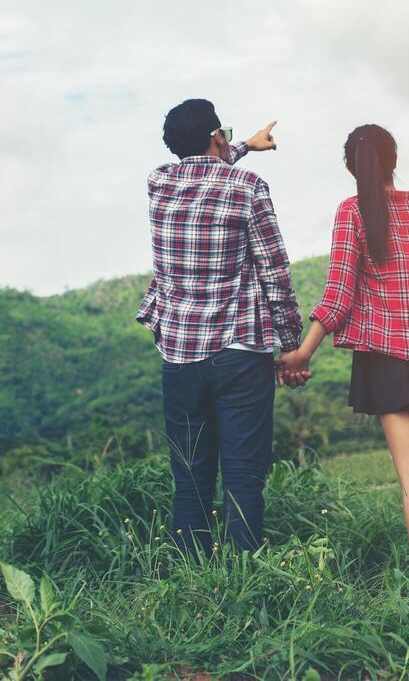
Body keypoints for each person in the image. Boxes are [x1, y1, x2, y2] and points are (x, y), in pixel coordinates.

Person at [277, 123, 409, 597]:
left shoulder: (352, 212)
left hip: (391, 357)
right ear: (394, 160)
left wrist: (303, 351)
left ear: (351, 167)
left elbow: (338, 295)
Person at [136, 98, 306, 556]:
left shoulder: (159, 183)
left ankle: (194, 588)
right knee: (243, 479)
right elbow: (275, 274)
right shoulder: (248, 188)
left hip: (179, 353)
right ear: (216, 135)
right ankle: (243, 582)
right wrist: (292, 347)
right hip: (240, 353)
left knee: (189, 481)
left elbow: (202, 168)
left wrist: (242, 145)